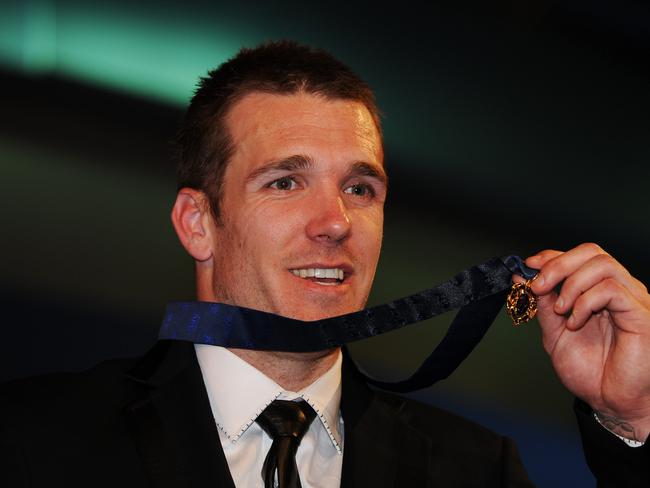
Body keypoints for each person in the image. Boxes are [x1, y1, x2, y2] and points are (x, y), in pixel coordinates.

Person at [1, 40, 649, 487]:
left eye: (361, 188)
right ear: (198, 223)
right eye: (285, 182)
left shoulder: (475, 469)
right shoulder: (35, 439)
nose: (336, 222)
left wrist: (633, 419)